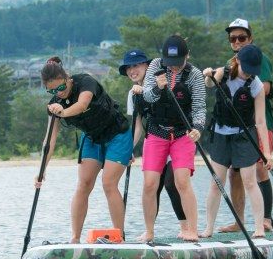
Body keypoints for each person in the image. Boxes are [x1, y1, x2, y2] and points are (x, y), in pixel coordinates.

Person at [36, 57, 133, 243]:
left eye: (60, 88)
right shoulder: (54, 103)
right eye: (52, 91)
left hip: (117, 135)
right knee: (84, 184)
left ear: (67, 78)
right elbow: (49, 142)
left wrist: (62, 112)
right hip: (91, 138)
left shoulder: (85, 82)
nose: (59, 93)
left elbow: (82, 105)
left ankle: (119, 237)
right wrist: (41, 171)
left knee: (108, 183)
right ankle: (75, 239)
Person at [138, 35, 206, 242]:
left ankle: (192, 230)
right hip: (157, 131)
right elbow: (147, 96)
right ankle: (149, 231)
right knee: (150, 183)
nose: (174, 68)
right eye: (171, 64)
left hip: (182, 134)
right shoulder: (156, 67)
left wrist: (198, 128)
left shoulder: (194, 75)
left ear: (187, 56)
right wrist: (158, 87)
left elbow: (199, 107)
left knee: (182, 181)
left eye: (178, 64)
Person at [202, 44, 273, 238]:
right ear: (238, 61)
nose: (248, 74)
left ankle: (258, 228)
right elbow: (208, 85)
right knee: (216, 183)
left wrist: (266, 153)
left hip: (244, 135)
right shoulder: (222, 73)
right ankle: (208, 228)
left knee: (250, 182)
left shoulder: (256, 85)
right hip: (220, 134)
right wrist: (208, 75)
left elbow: (260, 121)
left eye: (253, 71)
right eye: (246, 69)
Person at [217, 18, 273, 234]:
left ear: (250, 38)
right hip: (235, 129)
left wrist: (245, 90)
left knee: (259, 168)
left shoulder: (260, 58)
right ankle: (239, 220)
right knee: (234, 173)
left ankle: (266, 219)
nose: (237, 41)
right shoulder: (231, 63)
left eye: (242, 37)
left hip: (260, 122)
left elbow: (266, 88)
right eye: (233, 38)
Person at [119, 49, 186, 226]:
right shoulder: (132, 94)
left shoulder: (160, 82)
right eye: (128, 68)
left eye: (136, 65)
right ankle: (149, 232)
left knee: (172, 183)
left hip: (177, 137)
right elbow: (138, 126)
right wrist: (128, 149)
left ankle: (186, 227)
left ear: (147, 65)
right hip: (155, 141)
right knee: (152, 186)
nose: (132, 70)